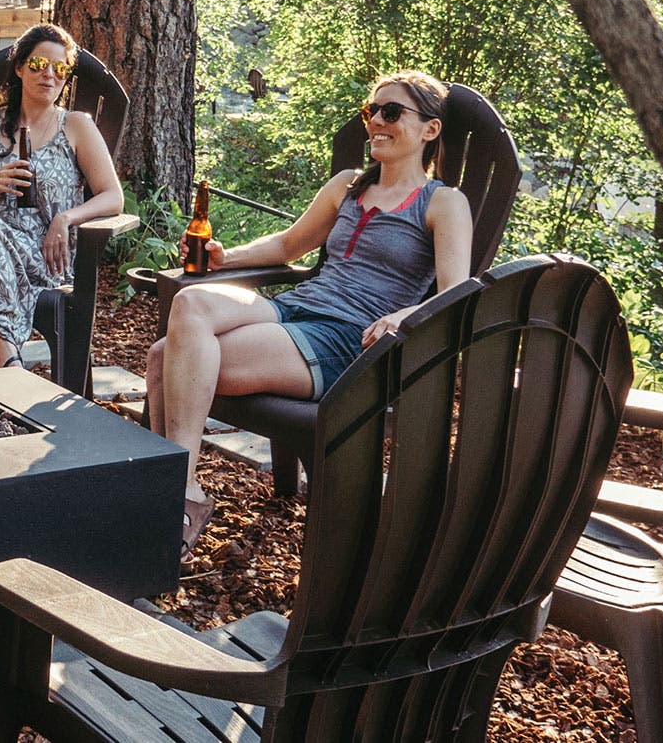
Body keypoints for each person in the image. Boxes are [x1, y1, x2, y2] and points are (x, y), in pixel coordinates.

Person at [145, 70, 472, 557]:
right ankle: (177, 490)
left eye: (391, 112)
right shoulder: (348, 185)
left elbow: (455, 294)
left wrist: (405, 316)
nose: (376, 122)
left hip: (348, 339)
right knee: (191, 302)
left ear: (429, 129)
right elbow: (290, 244)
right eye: (370, 111)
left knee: (162, 358)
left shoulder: (443, 203)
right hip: (296, 308)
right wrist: (226, 258)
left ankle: (172, 498)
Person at [0, 24, 125, 372]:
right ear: (19, 68)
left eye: (60, 68)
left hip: (38, 253)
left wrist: (66, 218)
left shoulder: (77, 126)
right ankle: (10, 360)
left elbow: (113, 197)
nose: (49, 74)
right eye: (38, 65)